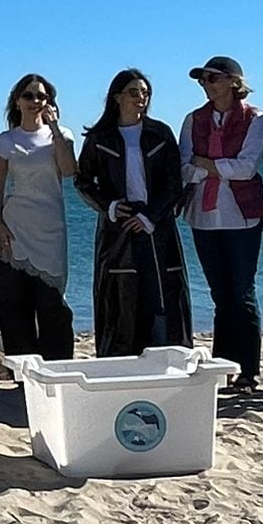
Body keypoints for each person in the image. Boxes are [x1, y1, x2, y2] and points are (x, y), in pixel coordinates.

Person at [74, 69, 192, 356]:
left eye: (145, 92)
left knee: (162, 292)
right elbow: (84, 180)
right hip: (118, 227)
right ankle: (119, 360)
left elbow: (173, 182)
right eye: (134, 92)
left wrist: (151, 216)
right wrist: (111, 206)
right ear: (117, 97)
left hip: (156, 225)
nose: (141, 98)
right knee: (119, 296)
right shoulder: (100, 138)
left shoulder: (160, 133)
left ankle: (168, 356)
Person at [180, 56, 263, 394]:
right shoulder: (193, 120)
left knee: (242, 293)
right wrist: (216, 167)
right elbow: (186, 169)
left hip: (241, 216)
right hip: (204, 217)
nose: (207, 84)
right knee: (221, 296)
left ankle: (248, 370)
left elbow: (248, 167)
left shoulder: (254, 117)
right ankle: (224, 366)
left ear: (233, 81)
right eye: (203, 79)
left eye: (213, 78)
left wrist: (208, 165)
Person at [0, 74, 77, 361]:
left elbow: (68, 170)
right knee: (14, 305)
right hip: (15, 227)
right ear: (17, 101)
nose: (35, 101)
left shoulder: (61, 136)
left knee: (53, 304)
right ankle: (23, 371)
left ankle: (57, 367)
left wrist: (53, 127)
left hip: (50, 228)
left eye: (41, 96)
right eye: (28, 96)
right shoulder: (6, 140)